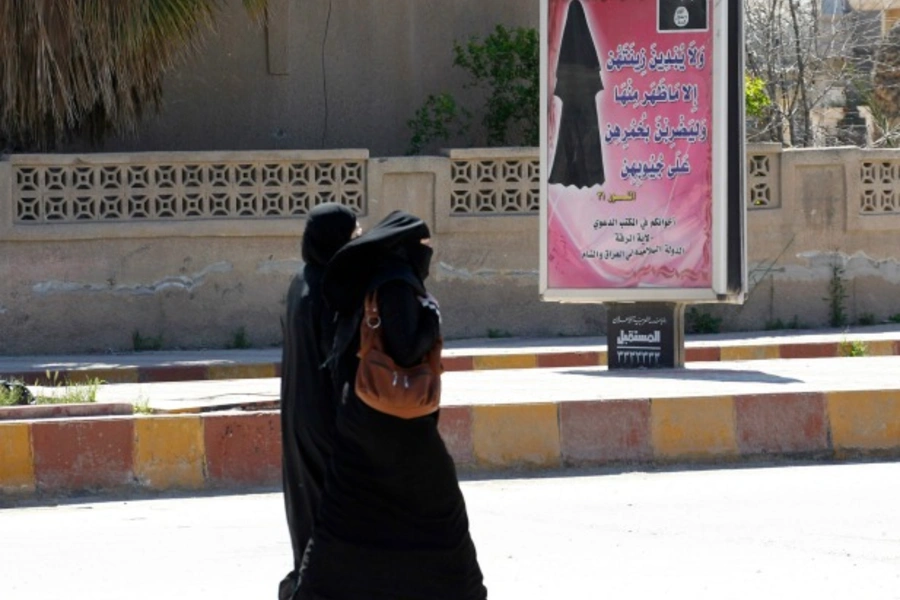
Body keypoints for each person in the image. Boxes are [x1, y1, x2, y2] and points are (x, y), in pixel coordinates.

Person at [293, 210, 487, 600]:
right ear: (407, 247)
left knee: (347, 517)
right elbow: (405, 344)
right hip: (396, 428)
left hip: (360, 421)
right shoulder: (396, 282)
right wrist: (431, 315)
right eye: (425, 245)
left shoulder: (370, 279)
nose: (428, 252)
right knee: (440, 518)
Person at [279, 203, 360, 600]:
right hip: (325, 419)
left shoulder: (301, 282)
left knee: (307, 510)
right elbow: (339, 362)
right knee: (334, 514)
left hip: (298, 415)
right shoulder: (329, 290)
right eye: (353, 235)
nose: (358, 240)